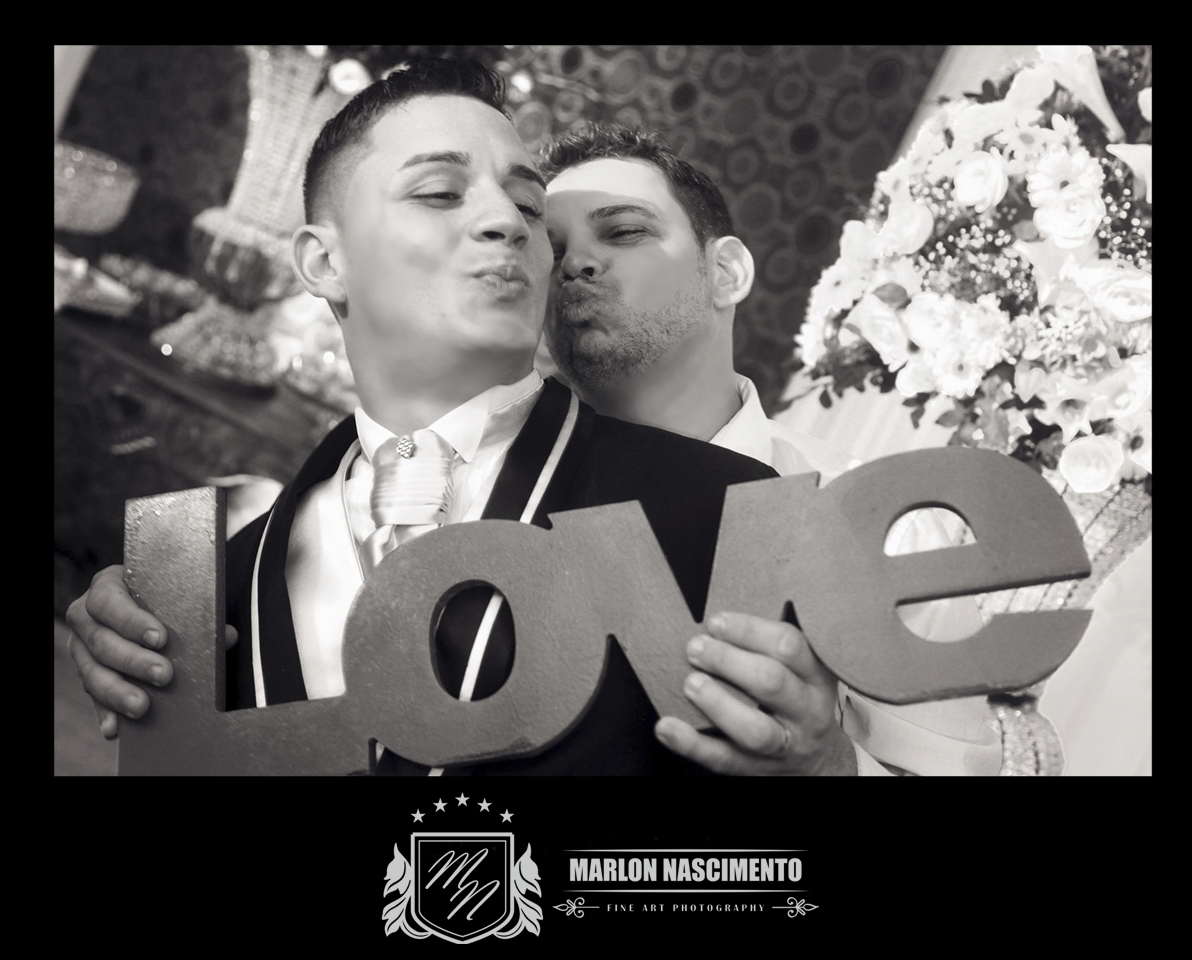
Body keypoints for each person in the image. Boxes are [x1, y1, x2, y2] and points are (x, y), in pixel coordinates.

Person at [66, 58, 864, 776]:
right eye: (440, 192)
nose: (509, 223)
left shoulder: (734, 513)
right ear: (324, 262)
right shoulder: (221, 575)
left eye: (525, 203)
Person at [534, 123, 1002, 776]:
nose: (574, 265)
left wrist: (828, 765)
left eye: (623, 231)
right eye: (550, 251)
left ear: (725, 272)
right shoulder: (488, 501)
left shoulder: (884, 529)